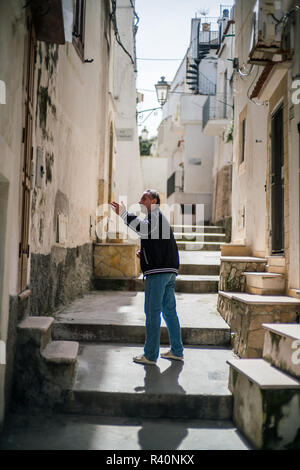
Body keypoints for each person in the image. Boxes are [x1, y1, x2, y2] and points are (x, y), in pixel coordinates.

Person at [110, 189, 184, 365]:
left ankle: (150, 355)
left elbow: (143, 229)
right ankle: (177, 350)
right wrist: (143, 253)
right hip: (168, 271)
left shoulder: (155, 216)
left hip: (158, 273)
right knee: (169, 312)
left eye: (144, 198)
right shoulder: (158, 218)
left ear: (154, 201)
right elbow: (157, 242)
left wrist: (123, 214)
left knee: (152, 313)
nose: (140, 201)